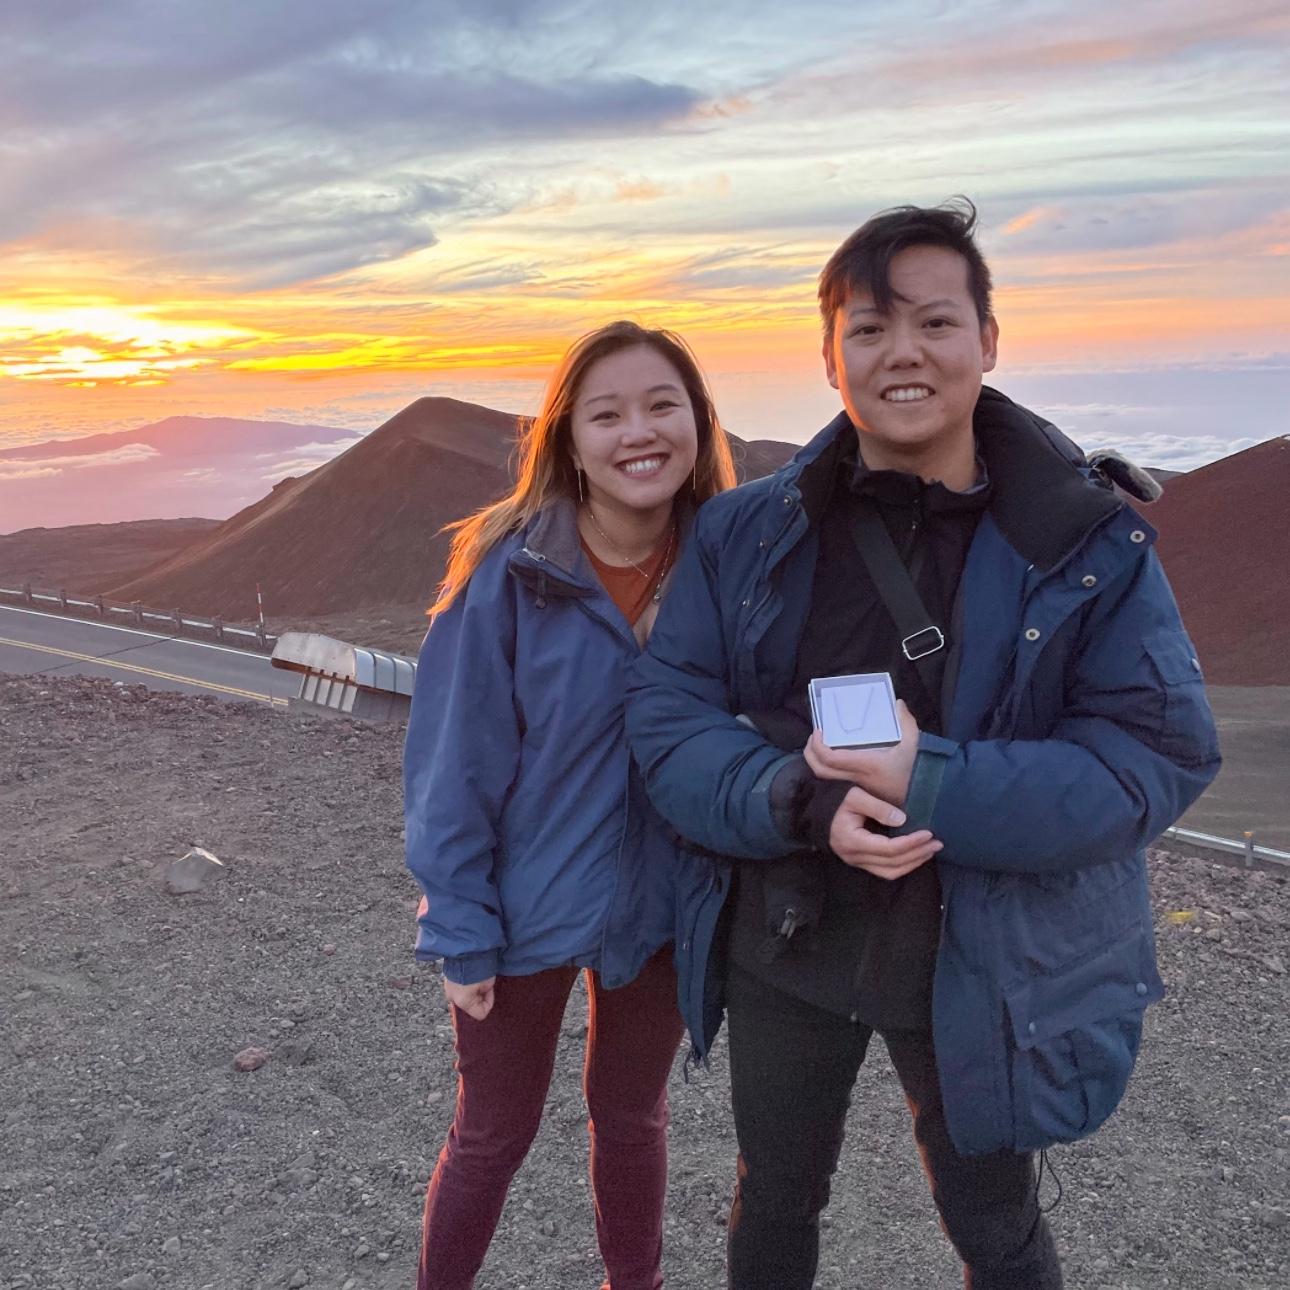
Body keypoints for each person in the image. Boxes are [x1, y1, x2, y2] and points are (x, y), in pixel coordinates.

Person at [625, 200, 1221, 1289]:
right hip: (791, 929)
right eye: (869, 328)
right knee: (774, 1194)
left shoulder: (1081, 541)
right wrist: (793, 799)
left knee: (994, 1223)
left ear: (987, 340)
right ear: (830, 357)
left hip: (982, 950)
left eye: (935, 323)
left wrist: (928, 778)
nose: (902, 352)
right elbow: (668, 718)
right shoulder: (746, 532)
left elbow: (1151, 758)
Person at [403, 319, 738, 1290]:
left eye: (662, 405)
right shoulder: (512, 574)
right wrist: (460, 925)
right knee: (492, 1132)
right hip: (521, 904)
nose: (639, 432)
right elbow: (452, 768)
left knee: (631, 1118)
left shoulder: (728, 570)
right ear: (569, 439)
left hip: (664, 904)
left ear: (698, 422)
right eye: (607, 414)